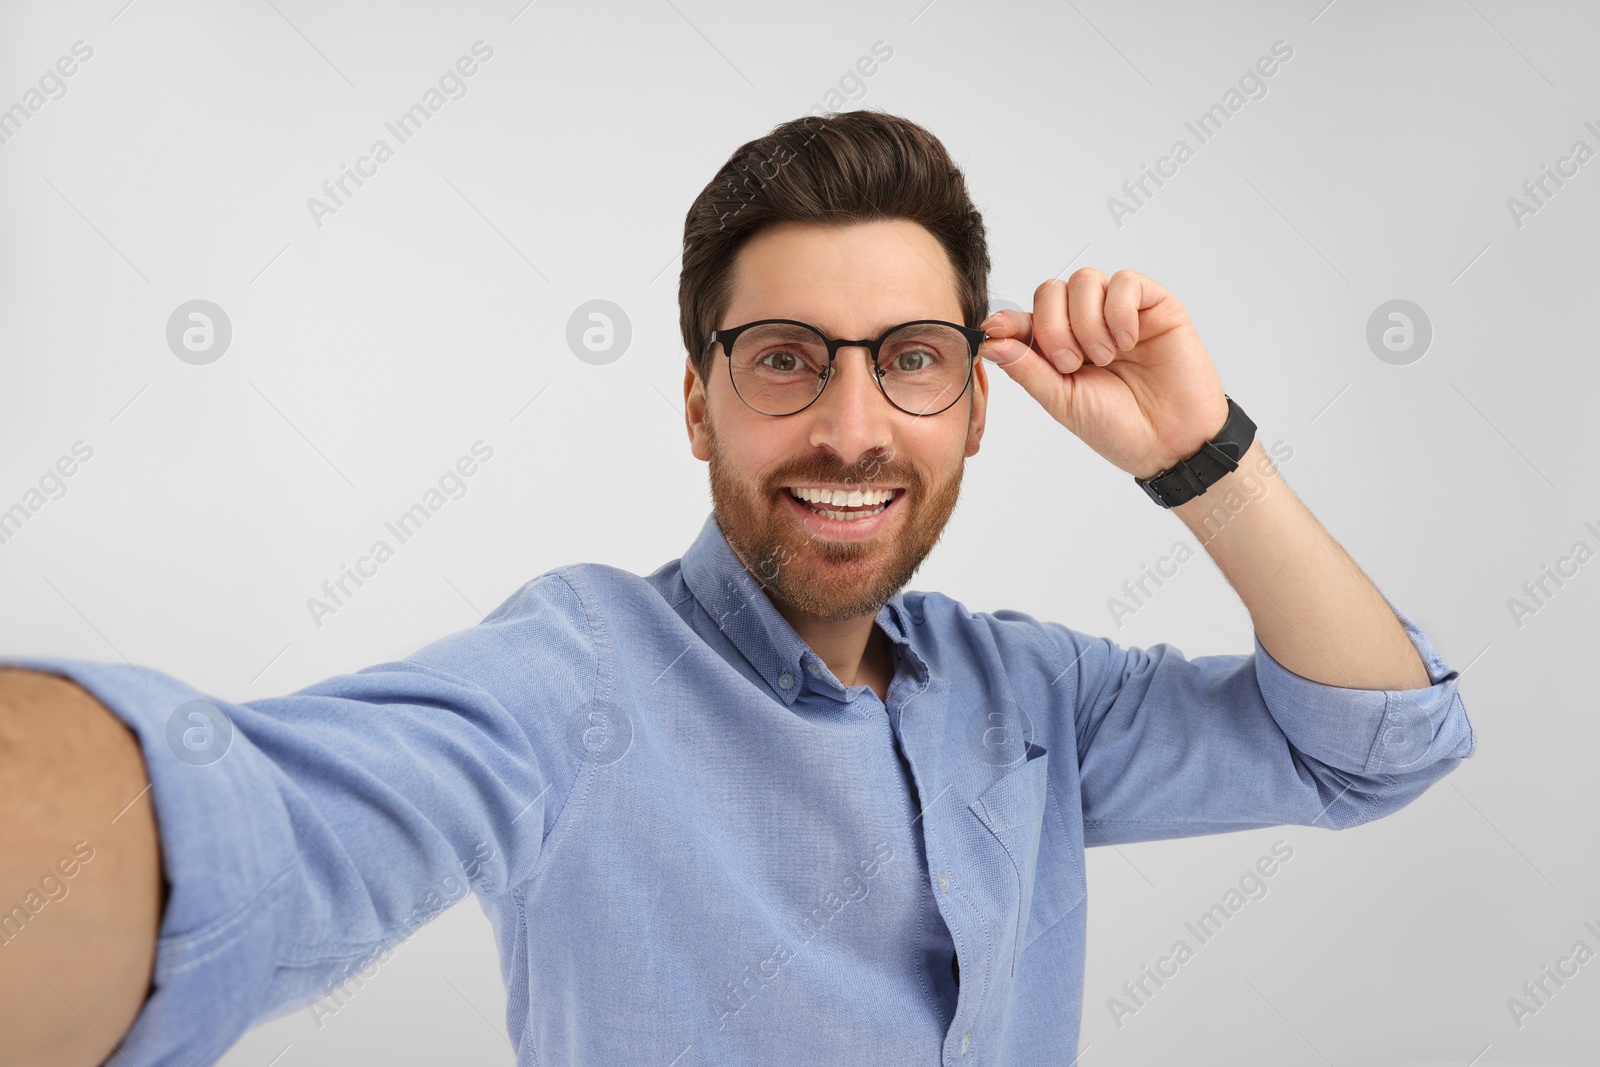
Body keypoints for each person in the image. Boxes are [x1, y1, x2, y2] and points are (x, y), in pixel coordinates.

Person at [0, 109, 1475, 1066]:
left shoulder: (1034, 697)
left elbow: (1367, 746)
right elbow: (260, 829)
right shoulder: (574, 675)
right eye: (785, 358)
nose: (849, 426)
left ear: (975, 403)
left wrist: (1198, 456)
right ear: (699, 404)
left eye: (909, 357)